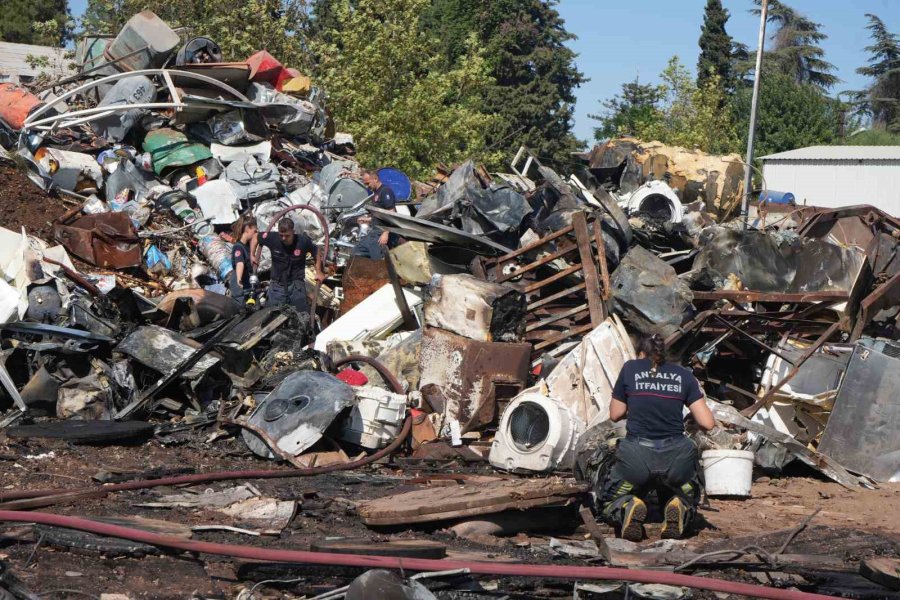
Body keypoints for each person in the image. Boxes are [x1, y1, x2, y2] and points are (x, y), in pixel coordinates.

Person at [599, 334, 715, 542]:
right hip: (677, 458)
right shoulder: (683, 375)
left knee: (608, 499)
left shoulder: (630, 369)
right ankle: (681, 506)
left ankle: (627, 506)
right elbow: (707, 423)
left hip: (637, 457)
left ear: (641, 354)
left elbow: (615, 414)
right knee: (688, 494)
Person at [256, 218, 324, 313]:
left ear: (293, 232)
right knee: (271, 316)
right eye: (281, 235)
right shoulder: (272, 238)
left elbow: (316, 251)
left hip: (296, 286)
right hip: (277, 287)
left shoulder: (303, 241)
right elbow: (256, 236)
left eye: (287, 236)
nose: (283, 238)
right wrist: (252, 255)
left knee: (301, 316)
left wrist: (319, 271)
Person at [353, 170, 399, 259]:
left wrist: (386, 233)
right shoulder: (375, 193)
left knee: (378, 261)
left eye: (368, 183)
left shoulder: (385, 191)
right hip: (374, 232)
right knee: (357, 251)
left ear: (375, 179)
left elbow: (392, 214)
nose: (367, 186)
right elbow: (380, 216)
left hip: (381, 233)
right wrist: (368, 219)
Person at [228, 215, 258, 304]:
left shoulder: (248, 246)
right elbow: (240, 263)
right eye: (254, 230)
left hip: (248, 286)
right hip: (241, 289)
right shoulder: (238, 247)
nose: (256, 233)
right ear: (247, 229)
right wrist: (239, 279)